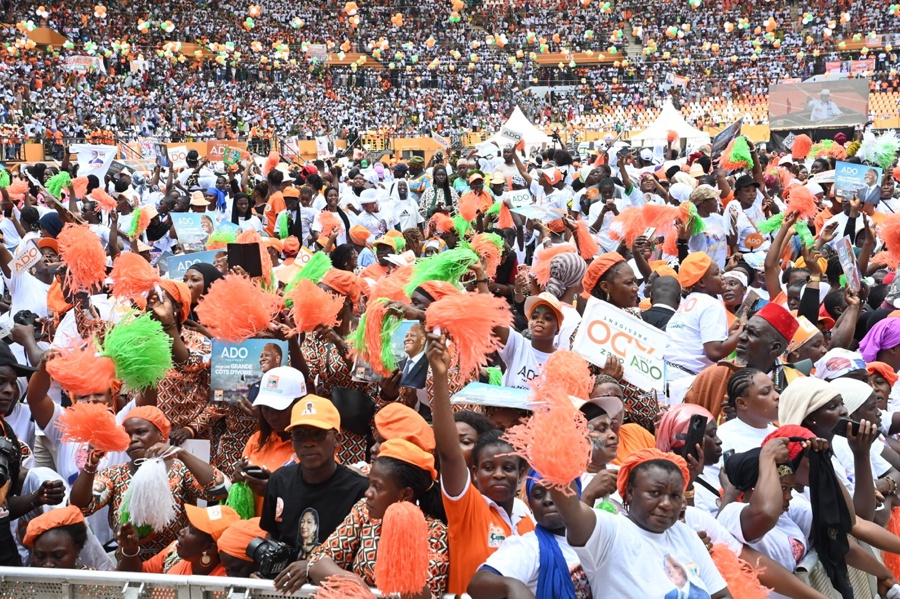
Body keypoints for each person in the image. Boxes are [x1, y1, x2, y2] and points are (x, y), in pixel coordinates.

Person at [429, 332, 533, 594]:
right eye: (488, 467)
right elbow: (450, 454)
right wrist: (440, 377)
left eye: (508, 468)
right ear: (474, 473)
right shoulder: (467, 506)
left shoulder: (527, 517)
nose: (498, 474)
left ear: (521, 474)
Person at [547, 448, 730, 598]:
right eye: (654, 493)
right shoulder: (609, 531)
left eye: (675, 496)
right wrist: (560, 447)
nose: (667, 504)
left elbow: (721, 595)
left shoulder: (686, 534)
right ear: (630, 493)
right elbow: (570, 509)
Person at [69, 406, 228, 558]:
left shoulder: (181, 469)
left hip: (173, 565)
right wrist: (91, 464)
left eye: (141, 432)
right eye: (127, 434)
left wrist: (182, 454)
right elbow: (80, 506)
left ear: (161, 435)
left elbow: (220, 490)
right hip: (129, 565)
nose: (133, 439)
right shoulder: (114, 474)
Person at [307, 438, 449, 598]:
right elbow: (318, 560)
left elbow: (422, 595)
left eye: (377, 487)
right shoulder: (364, 511)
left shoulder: (436, 533)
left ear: (405, 494)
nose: (368, 493)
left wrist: (403, 541)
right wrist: (353, 583)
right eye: (369, 484)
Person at [259, 395, 368, 590]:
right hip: (286, 588)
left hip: (335, 590)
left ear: (337, 439)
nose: (308, 443)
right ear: (292, 441)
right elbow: (273, 535)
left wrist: (311, 567)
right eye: (300, 434)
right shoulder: (279, 480)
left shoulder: (360, 490)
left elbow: (362, 556)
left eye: (318, 434)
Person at [469, 471, 592, 599]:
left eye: (558, 491)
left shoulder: (597, 538)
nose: (548, 500)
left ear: (576, 495)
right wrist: (512, 586)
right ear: (531, 505)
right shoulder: (528, 547)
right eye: (538, 495)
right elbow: (477, 584)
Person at [233, 366, 306, 516]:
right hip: (251, 533)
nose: (271, 416)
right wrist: (239, 477)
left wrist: (275, 490)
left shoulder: (315, 450)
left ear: (299, 403)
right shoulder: (257, 440)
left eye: (279, 409)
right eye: (265, 408)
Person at [117, 504, 240, 576]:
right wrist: (130, 551)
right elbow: (137, 575)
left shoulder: (225, 584)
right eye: (187, 526)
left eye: (191, 531)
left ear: (209, 548)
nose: (182, 531)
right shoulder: (173, 552)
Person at [495, 291, 562, 389]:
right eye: (534, 317)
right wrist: (481, 280)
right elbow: (493, 315)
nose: (539, 320)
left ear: (557, 329)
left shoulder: (562, 362)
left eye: (547, 318)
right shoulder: (518, 344)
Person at [22, 505, 88, 569]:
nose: (48, 565)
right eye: (40, 556)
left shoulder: (94, 578)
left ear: (77, 550)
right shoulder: (22, 579)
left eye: (58, 556)